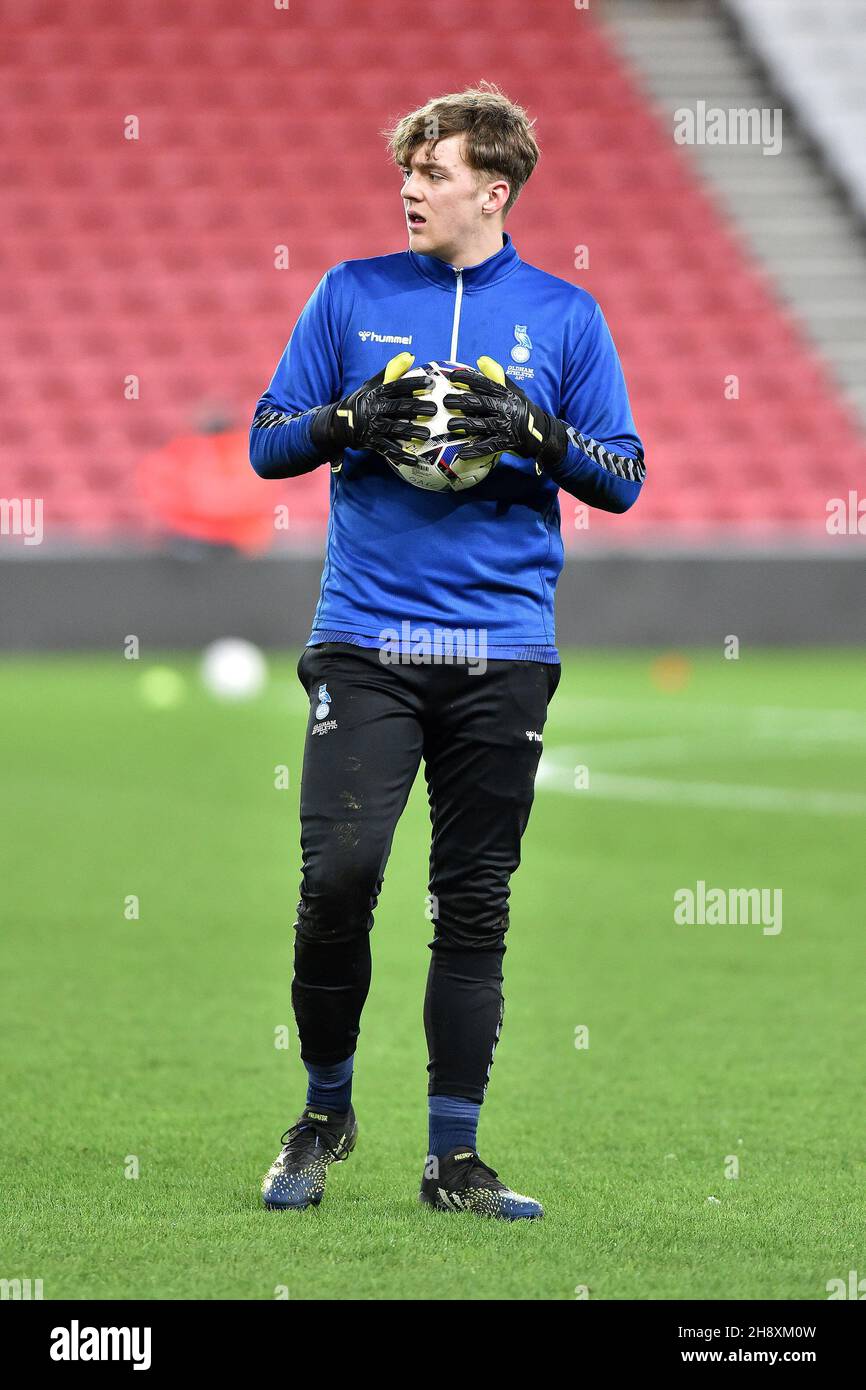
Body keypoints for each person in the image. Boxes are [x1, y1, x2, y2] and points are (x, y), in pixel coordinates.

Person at [250, 82, 645, 1220]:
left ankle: (452, 1159)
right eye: (405, 171)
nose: (409, 188)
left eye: (431, 172)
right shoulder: (348, 291)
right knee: (339, 878)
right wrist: (342, 425)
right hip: (366, 638)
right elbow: (268, 441)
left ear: (494, 188)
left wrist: (536, 432)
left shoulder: (566, 317)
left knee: (472, 903)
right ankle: (324, 1112)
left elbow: (618, 477)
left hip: (501, 648)